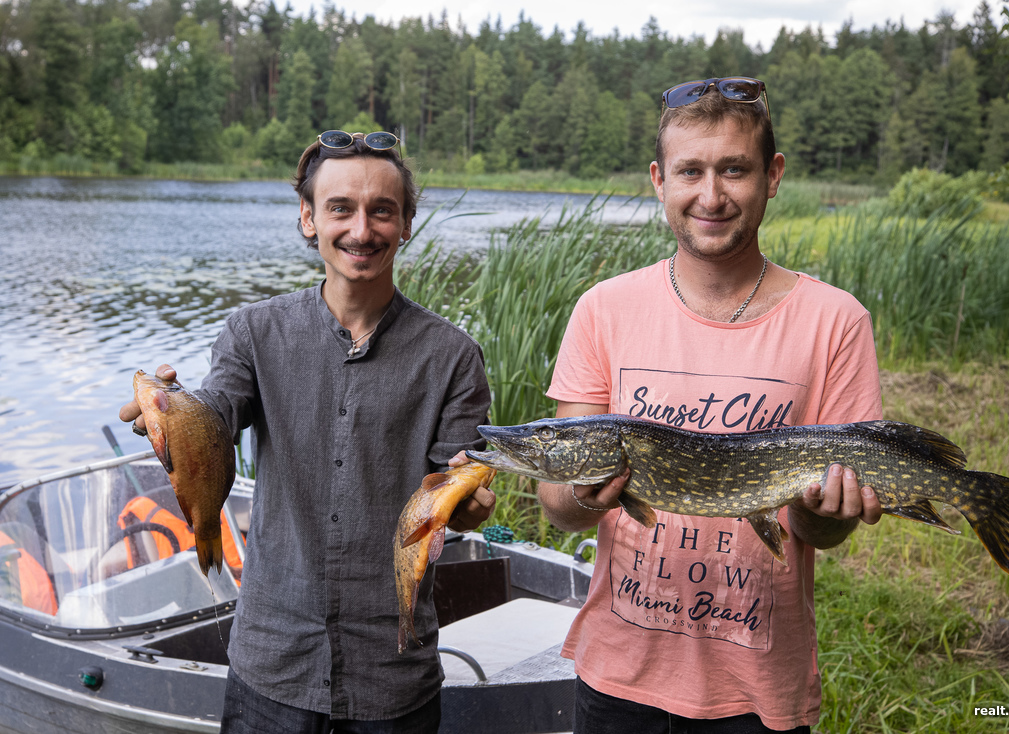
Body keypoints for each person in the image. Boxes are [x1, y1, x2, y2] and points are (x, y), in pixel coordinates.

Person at [536, 78, 884, 733]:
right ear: (658, 180)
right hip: (619, 679)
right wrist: (585, 489)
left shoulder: (836, 321)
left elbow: (822, 533)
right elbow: (561, 512)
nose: (712, 195)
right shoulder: (603, 310)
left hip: (757, 694)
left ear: (772, 175)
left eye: (735, 170)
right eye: (690, 171)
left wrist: (825, 515)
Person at [119, 130, 495, 734]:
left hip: (392, 679)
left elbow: (459, 495)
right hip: (272, 669)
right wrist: (172, 416)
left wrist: (473, 505)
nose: (361, 230)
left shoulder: (452, 356)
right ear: (308, 218)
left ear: (405, 225)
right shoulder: (251, 333)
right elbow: (217, 408)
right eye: (340, 208)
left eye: (382, 211)